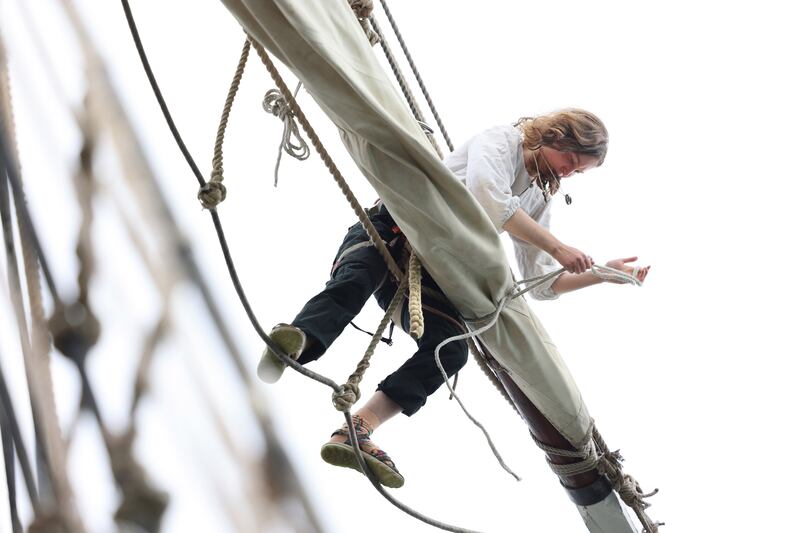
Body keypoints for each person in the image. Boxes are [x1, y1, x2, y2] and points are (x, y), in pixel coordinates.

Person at [258, 108, 649, 489]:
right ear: (556, 135)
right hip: (397, 225)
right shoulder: (503, 141)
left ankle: (357, 429)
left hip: (434, 271)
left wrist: (602, 274)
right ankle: (297, 342)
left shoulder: (537, 197)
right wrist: (558, 246)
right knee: (357, 280)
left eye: (577, 171)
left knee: (449, 350)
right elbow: (488, 198)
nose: (568, 172)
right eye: (570, 159)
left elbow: (541, 281)